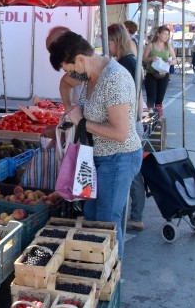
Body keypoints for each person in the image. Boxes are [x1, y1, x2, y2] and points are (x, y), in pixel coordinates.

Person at [49, 31, 143, 257]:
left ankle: (112, 280)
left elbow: (120, 133)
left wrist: (81, 122)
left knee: (106, 223)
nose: (70, 74)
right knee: (91, 216)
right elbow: (64, 83)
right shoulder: (87, 74)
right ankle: (100, 272)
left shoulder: (114, 79)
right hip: (96, 158)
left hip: (119, 158)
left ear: (80, 59)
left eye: (70, 68)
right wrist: (69, 107)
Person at [107, 23, 146, 232]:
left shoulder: (126, 63)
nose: (107, 45)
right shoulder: (129, 61)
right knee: (133, 172)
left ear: (118, 41)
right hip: (134, 121)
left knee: (131, 174)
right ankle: (137, 214)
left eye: (110, 41)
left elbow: (128, 97)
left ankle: (136, 215)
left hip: (130, 124)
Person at [142, 25, 176, 118]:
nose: (166, 36)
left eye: (167, 35)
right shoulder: (151, 45)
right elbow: (144, 59)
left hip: (164, 74)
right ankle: (149, 117)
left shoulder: (168, 46)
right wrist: (151, 58)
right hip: (151, 74)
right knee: (151, 97)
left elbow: (175, 59)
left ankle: (158, 118)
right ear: (158, 34)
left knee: (159, 99)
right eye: (164, 34)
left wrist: (170, 62)